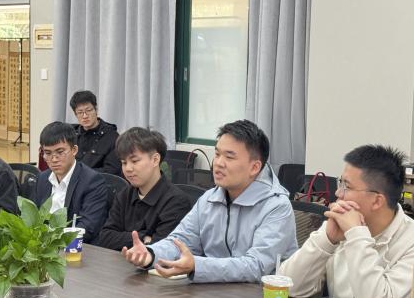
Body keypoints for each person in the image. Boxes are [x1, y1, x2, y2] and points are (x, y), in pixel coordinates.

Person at [121, 119, 298, 282]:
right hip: (214, 293)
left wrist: (197, 266)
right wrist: (150, 254)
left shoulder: (276, 206)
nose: (218, 163)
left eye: (229, 157)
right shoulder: (209, 199)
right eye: (217, 154)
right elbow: (180, 241)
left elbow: (257, 266)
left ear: (254, 167)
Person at [279, 145, 414, 298]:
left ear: (377, 201)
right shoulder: (342, 225)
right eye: (340, 182)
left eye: (347, 186)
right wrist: (326, 239)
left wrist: (357, 235)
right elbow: (288, 287)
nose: (338, 193)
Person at [97, 127, 191, 250]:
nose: (128, 168)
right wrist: (144, 237)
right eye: (124, 163)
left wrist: (125, 238)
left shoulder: (176, 201)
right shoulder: (124, 194)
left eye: (134, 161)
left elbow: (160, 248)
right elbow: (105, 238)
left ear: (155, 160)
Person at [35, 121, 108, 243]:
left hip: (74, 247)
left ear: (74, 150)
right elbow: (34, 218)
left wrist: (55, 241)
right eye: (48, 153)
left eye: (60, 152)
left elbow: (88, 227)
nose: (54, 159)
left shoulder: (93, 182)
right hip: (43, 246)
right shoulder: (42, 179)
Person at [70, 90, 122, 175]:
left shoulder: (112, 136)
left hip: (97, 182)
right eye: (80, 112)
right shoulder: (70, 134)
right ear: (75, 114)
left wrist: (81, 174)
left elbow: (112, 171)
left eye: (88, 110)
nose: (85, 116)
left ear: (96, 110)